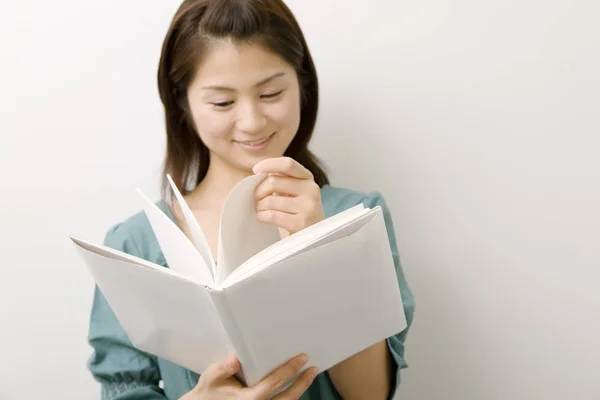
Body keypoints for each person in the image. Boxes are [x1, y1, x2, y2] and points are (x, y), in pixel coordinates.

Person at [88, 0, 415, 399]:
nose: (252, 122)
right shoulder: (135, 244)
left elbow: (372, 395)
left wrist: (321, 251)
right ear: (183, 103)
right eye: (223, 102)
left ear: (302, 84)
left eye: (271, 92)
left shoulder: (355, 216)